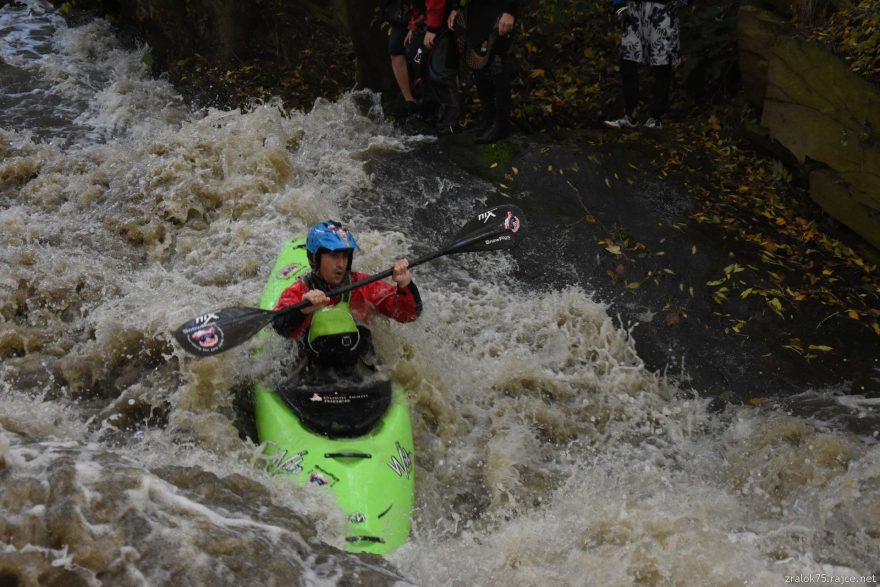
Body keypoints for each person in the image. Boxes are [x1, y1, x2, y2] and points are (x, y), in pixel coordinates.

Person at [272, 220, 422, 364]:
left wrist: (405, 285)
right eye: (334, 256)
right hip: (312, 367)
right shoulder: (300, 290)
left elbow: (408, 314)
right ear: (314, 259)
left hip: (356, 366)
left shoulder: (362, 285)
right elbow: (281, 327)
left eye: (345, 256)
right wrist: (302, 310)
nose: (341, 264)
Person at [604, 0, 686, 130]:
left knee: (662, 62)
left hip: (662, 11)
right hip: (634, 10)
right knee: (627, 60)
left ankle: (656, 118)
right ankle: (630, 116)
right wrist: (619, 6)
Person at [448, 0, 519, 144]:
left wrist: (510, 11)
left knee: (497, 62)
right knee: (478, 60)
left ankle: (502, 124)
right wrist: (455, 7)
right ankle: (488, 119)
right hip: (477, 9)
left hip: (501, 9)